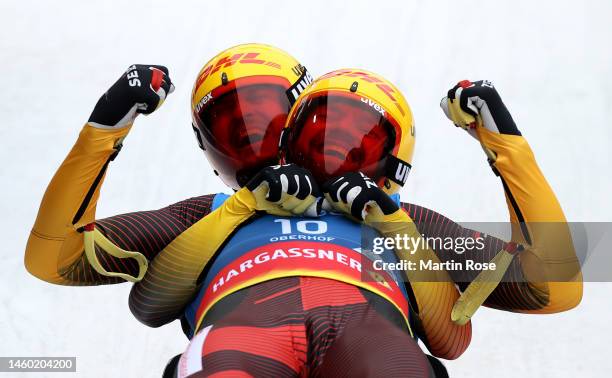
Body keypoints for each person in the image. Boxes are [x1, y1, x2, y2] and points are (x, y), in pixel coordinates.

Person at [25, 43, 582, 377]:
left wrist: (501, 142)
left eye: (357, 142)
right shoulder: (207, 211)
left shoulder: (405, 221)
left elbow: (556, 285)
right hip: (340, 328)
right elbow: (54, 260)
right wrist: (106, 128)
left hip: (273, 327)